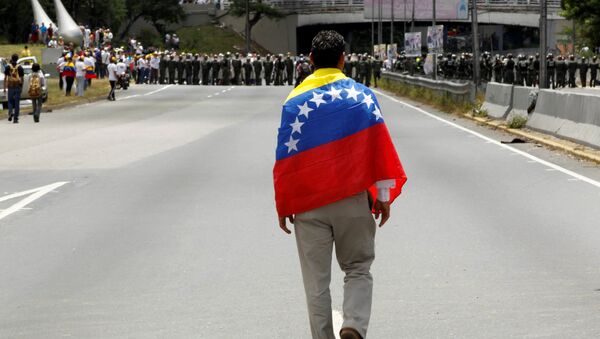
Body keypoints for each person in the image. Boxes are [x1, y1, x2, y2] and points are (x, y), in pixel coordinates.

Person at [273, 30, 407, 339]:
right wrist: (382, 195)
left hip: (309, 203)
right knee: (358, 267)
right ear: (343, 59)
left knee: (316, 284)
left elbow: (285, 158)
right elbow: (378, 148)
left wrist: (284, 204)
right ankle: (353, 327)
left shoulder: (294, 101)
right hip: (353, 198)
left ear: (309, 61)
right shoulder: (361, 96)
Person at [3, 54, 25, 123]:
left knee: (10, 101)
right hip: (18, 86)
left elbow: (5, 77)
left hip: (10, 86)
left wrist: (4, 87)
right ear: (17, 59)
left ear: (12, 58)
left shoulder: (7, 67)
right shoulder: (20, 67)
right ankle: (15, 118)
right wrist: (21, 87)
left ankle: (10, 113)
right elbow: (22, 78)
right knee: (17, 102)